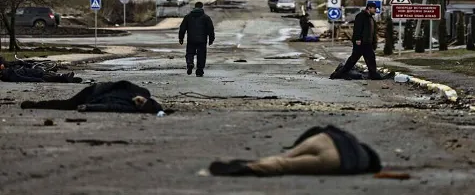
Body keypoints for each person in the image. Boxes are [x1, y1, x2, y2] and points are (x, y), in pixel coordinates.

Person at [208, 125, 382, 176]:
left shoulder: (351, 139)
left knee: (285, 156)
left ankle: (262, 161)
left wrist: (295, 145)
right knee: (286, 165)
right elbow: (347, 168)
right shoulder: (362, 162)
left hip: (324, 138)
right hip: (336, 159)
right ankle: (251, 168)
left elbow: (318, 129)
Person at [20, 80, 167, 114]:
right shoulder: (140, 91)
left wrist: (89, 107)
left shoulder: (131, 108)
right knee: (67, 104)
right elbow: (123, 83)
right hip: (94, 91)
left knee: (67, 106)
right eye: (142, 101)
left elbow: (111, 107)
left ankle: (33, 104)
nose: (139, 102)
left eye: (139, 105)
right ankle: (35, 104)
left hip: (94, 99)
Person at [331, 2, 381, 79]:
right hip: (361, 43)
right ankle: (340, 74)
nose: (375, 10)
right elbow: (357, 28)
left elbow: (372, 32)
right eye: (374, 8)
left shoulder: (370, 18)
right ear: (369, 8)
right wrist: (358, 39)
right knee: (353, 60)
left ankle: (373, 74)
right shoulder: (361, 16)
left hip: (367, 43)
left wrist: (373, 42)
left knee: (370, 58)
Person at [178, 2, 215, 77]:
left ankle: (190, 63)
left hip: (191, 39)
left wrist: (181, 38)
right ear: (202, 7)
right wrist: (211, 39)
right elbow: (210, 29)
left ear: (194, 7)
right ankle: (199, 70)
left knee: (190, 53)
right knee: (201, 55)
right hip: (202, 40)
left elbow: (182, 28)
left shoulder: (188, 17)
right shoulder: (206, 17)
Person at [0, 57, 81, 83]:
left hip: (13, 70)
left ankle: (62, 77)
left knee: (38, 72)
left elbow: (3, 62)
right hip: (10, 73)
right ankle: (61, 77)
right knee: (37, 74)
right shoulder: (7, 73)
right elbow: (19, 77)